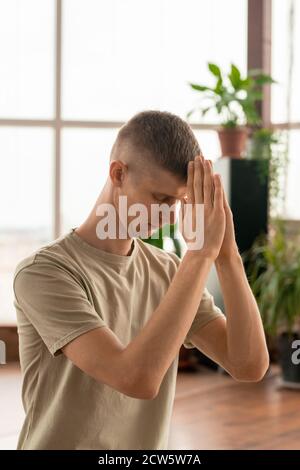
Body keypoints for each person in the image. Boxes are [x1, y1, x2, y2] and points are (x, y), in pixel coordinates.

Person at [13, 110, 269, 450]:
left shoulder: (167, 271)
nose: (169, 216)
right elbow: (135, 378)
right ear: (118, 173)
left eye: (179, 202)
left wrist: (227, 255)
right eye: (160, 199)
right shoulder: (44, 273)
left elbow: (248, 365)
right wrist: (198, 255)